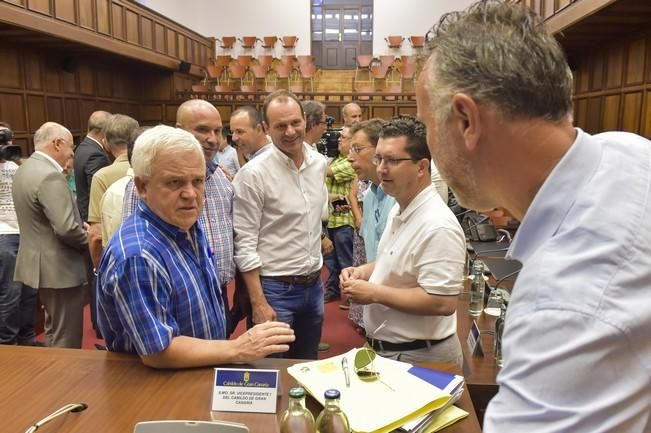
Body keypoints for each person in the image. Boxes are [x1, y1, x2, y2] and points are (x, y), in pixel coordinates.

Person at [416, 1, 651, 431]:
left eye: (427, 124)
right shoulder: (628, 148)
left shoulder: (562, 306)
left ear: (466, 119)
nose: (429, 143)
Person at [97, 125, 294, 369]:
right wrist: (238, 348)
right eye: (174, 182)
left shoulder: (185, 224)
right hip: (158, 390)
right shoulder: (139, 255)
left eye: (198, 181)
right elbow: (158, 351)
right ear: (143, 187)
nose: (191, 194)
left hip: (198, 373)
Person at [340, 116, 465, 365]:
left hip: (420, 355)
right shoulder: (400, 208)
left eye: (393, 161)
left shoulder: (436, 224)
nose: (381, 169)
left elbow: (441, 302)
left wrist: (374, 293)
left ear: (421, 167)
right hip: (392, 350)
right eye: (379, 159)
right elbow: (394, 259)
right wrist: (364, 271)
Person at [123, 100, 235, 332]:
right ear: (180, 130)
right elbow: (136, 245)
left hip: (215, 289)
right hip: (170, 294)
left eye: (217, 130)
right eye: (203, 130)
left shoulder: (222, 179)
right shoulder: (146, 184)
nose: (213, 139)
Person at [233, 90, 328, 360]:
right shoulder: (253, 174)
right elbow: (245, 243)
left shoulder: (318, 163)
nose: (289, 131)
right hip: (275, 290)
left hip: (314, 286)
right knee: (270, 373)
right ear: (266, 128)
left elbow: (309, 218)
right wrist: (258, 302)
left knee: (307, 364)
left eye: (295, 123)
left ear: (304, 121)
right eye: (280, 126)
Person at [12, 122, 88, 348]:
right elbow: (65, 228)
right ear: (57, 143)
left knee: (53, 330)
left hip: (39, 264)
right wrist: (90, 240)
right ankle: (65, 382)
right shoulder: (50, 175)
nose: (71, 153)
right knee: (67, 336)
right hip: (60, 267)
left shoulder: (24, 168)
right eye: (71, 148)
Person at [345, 119, 396, 324]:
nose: (349, 158)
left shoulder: (400, 198)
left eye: (357, 149)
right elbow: (374, 253)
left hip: (399, 312)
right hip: (377, 309)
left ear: (380, 150)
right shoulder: (369, 196)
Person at [0, 122, 39, 346]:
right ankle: (7, 343)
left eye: (6, 138)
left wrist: (16, 160)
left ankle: (27, 338)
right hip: (4, 236)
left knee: (29, 292)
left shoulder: (18, 166)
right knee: (10, 294)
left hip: (26, 233)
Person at [87, 114, 139, 267]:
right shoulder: (154, 170)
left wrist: (98, 270)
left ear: (105, 143)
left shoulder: (101, 177)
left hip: (117, 261)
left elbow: (96, 233)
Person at [323, 125, 356, 304]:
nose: (339, 140)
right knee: (332, 262)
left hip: (344, 220)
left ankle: (352, 295)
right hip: (332, 218)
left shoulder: (350, 162)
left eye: (343, 137)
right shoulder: (337, 160)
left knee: (346, 262)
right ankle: (333, 290)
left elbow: (323, 172)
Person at [73, 110, 111, 222]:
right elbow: (96, 191)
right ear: (104, 131)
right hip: (93, 218)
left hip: (83, 213)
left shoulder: (82, 147)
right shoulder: (96, 154)